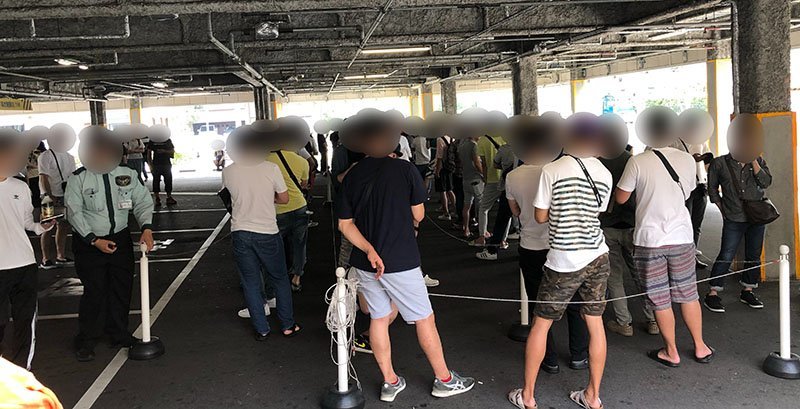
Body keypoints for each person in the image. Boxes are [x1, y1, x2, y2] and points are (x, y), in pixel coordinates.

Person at [337, 118, 474, 403]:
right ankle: (444, 380)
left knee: (378, 317)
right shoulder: (405, 169)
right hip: (400, 257)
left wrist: (369, 250)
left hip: (365, 260)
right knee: (424, 318)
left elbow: (345, 225)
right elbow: (419, 214)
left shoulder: (352, 175)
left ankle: (390, 382)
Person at [509, 120, 612, 409]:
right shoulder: (604, 172)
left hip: (564, 258)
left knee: (541, 325)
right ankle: (592, 396)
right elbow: (598, 211)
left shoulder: (552, 170)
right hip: (598, 254)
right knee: (595, 324)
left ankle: (528, 396)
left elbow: (540, 216)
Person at [616, 143, 714, 368]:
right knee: (689, 294)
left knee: (659, 298)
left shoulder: (637, 161)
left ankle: (671, 352)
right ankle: (700, 347)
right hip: (681, 236)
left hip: (650, 240)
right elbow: (688, 191)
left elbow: (621, 197)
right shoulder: (687, 159)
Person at [65, 131, 156, 362]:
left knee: (121, 287)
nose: (102, 154)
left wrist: (146, 227)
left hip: (120, 239)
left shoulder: (127, 174)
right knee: (95, 290)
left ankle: (118, 333)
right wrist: (93, 240)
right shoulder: (78, 178)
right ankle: (87, 339)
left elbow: (142, 201)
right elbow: (74, 212)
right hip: (89, 243)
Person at [506, 149, 589, 376]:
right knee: (574, 300)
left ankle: (549, 359)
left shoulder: (512, 176)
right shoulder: (556, 171)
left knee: (538, 304)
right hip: (560, 245)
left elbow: (515, 211)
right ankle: (579, 355)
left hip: (530, 246)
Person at [223, 132, 299, 341]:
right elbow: (284, 198)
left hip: (240, 231)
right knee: (280, 278)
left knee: (250, 282)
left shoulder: (228, 171)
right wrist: (268, 197)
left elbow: (229, 196)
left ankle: (261, 329)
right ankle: (287, 325)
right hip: (267, 231)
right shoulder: (270, 168)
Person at [0, 135, 55, 370]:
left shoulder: (20, 186)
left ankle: (23, 369)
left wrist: (41, 227)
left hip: (24, 264)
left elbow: (26, 222)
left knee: (25, 320)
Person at [599, 150, 658, 337]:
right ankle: (653, 319)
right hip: (632, 224)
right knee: (641, 274)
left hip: (607, 224)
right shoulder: (632, 160)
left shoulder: (597, 161)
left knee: (614, 277)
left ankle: (624, 322)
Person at [703, 153, 772, 313]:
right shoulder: (720, 163)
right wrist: (722, 210)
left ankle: (748, 290)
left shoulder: (758, 160)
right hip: (733, 217)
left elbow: (766, 182)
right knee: (727, 254)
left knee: (754, 254)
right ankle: (712, 292)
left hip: (756, 216)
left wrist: (753, 161)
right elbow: (712, 188)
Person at [267, 147, 310, 293]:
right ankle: (296, 278)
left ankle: (277, 279)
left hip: (277, 210)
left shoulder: (265, 161)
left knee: (275, 246)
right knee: (299, 244)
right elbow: (304, 184)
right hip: (300, 207)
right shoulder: (302, 161)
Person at [671, 137, 713, 268]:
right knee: (685, 223)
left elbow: (708, 161)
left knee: (697, 222)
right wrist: (690, 159)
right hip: (684, 186)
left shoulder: (700, 139)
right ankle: (683, 256)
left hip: (700, 184)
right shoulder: (674, 140)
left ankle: (692, 253)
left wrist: (705, 159)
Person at [37, 141, 76, 269]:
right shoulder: (45, 155)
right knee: (48, 227)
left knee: (63, 226)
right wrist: (49, 195)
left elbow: (72, 177)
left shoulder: (69, 157)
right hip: (48, 197)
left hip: (62, 195)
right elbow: (43, 177)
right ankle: (46, 259)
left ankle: (60, 256)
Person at [477, 142, 517, 260]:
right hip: (525, 186)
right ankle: (504, 241)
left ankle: (492, 249)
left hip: (507, 185)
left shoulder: (504, 148)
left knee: (501, 216)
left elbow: (494, 164)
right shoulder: (527, 148)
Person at [471, 133, 506, 246]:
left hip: (492, 179)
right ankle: (503, 240)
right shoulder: (505, 137)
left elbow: (484, 164)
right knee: (506, 211)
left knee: (484, 208)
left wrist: (486, 179)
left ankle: (482, 236)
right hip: (506, 179)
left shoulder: (482, 141)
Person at [459, 135, 483, 239]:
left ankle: (466, 229)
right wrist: (484, 174)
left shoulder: (462, 146)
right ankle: (482, 231)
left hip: (465, 178)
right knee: (481, 206)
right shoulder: (474, 146)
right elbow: (477, 163)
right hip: (476, 178)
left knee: (466, 205)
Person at [146, 137, 177, 207]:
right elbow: (149, 153)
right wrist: (150, 165)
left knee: (168, 180)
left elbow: (172, 151)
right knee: (156, 181)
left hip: (166, 164)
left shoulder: (167, 140)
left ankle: (169, 197)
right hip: (156, 164)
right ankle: (157, 198)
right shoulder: (152, 140)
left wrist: (164, 151)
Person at [433, 134, 456, 221]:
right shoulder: (452, 137)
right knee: (450, 189)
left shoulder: (440, 139)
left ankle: (446, 213)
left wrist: (437, 171)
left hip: (442, 167)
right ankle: (455, 210)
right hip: (450, 166)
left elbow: (439, 157)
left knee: (442, 191)